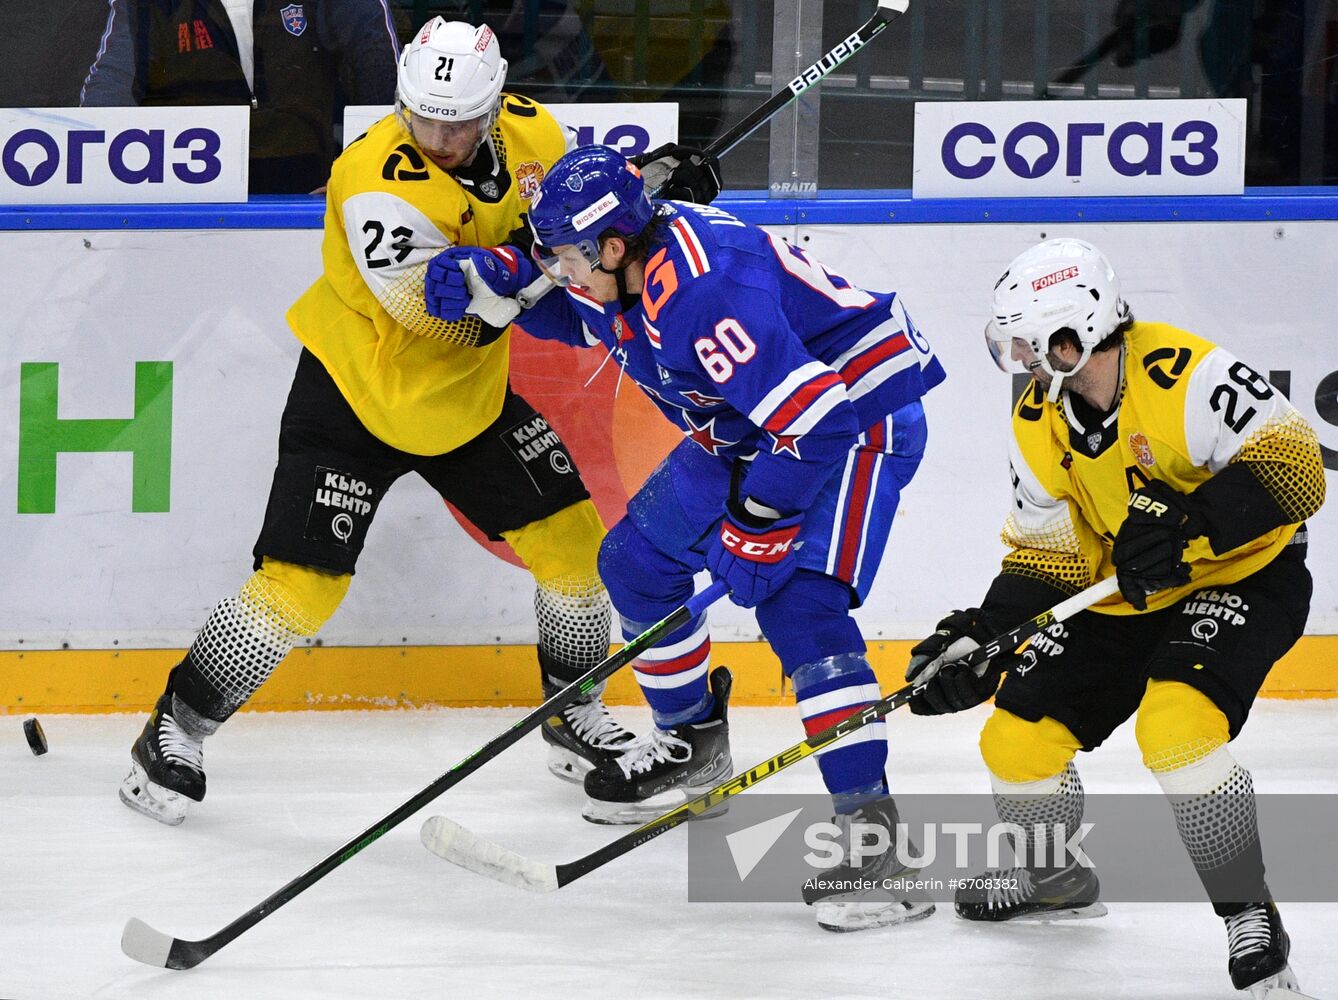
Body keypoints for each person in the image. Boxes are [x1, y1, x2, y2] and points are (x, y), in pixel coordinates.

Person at [118, 19, 715, 827]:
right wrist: (541, 263)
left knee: (579, 551)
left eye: (458, 121)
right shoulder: (372, 179)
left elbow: (576, 224)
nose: (437, 137)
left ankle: (574, 718)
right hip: (357, 398)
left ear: (495, 104)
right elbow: (452, 322)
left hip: (466, 404)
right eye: (421, 117)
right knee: (300, 590)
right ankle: (174, 730)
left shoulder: (535, 130)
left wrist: (639, 199)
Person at [423, 145, 947, 932]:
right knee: (634, 566)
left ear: (610, 247)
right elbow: (589, 316)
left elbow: (817, 423)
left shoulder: (703, 296)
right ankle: (693, 744)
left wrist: (761, 523)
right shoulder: (624, 262)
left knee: (801, 610)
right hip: (750, 427)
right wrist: (500, 285)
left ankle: (877, 849)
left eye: (566, 257)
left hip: (854, 420)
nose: (558, 269)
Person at [903, 238, 1324, 995]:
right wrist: (986, 632)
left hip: (1245, 577)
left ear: (1074, 333)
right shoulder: (1040, 419)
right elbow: (1050, 559)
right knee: (1014, 740)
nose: (1024, 361)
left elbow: (1297, 471)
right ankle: (1053, 874)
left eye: (1031, 343)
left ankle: (1247, 913)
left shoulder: (1185, 374)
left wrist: (1193, 519)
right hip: (1125, 594)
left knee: (1175, 731)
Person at [80, 0, 400, 193]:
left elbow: (377, 68)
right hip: (189, 190)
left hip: (305, 186)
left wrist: (367, 175)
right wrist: (98, 174)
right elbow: (111, 84)